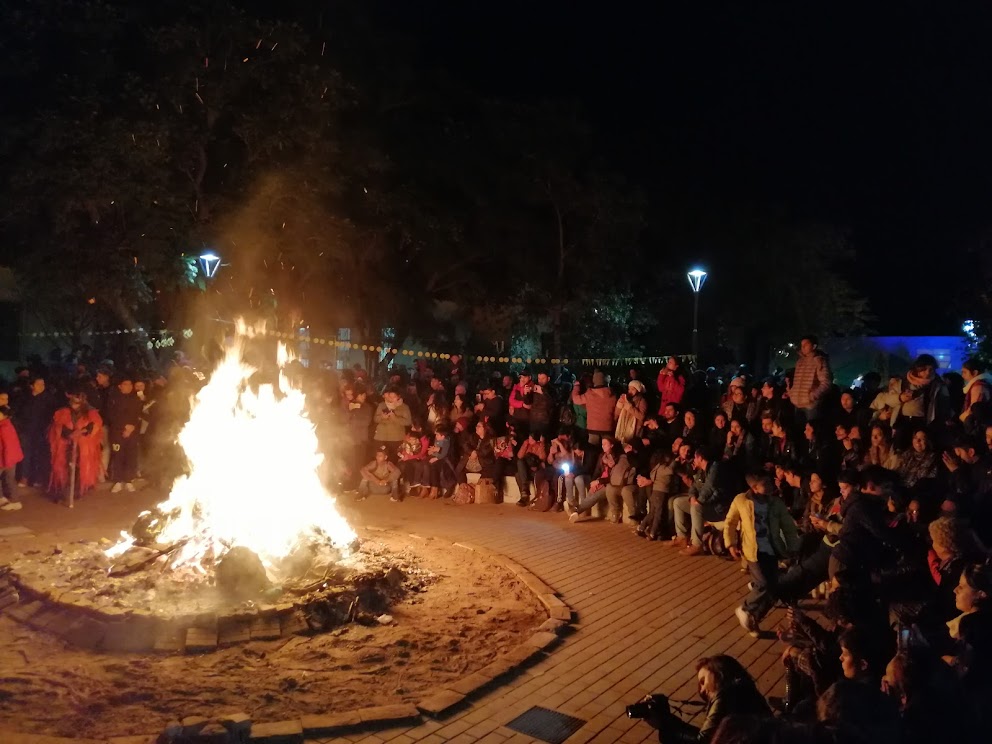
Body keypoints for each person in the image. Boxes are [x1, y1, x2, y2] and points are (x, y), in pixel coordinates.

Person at [727, 474, 800, 636]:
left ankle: (753, 620)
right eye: (765, 483)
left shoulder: (776, 503)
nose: (771, 484)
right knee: (764, 584)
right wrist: (730, 543)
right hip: (753, 551)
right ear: (755, 488)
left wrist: (793, 546)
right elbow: (730, 522)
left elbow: (788, 526)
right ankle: (745, 608)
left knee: (773, 589)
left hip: (772, 550)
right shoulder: (741, 501)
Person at [641, 655, 771, 743]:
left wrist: (664, 724)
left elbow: (702, 741)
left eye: (703, 681)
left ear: (717, 672)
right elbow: (709, 737)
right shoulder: (745, 688)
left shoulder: (724, 696)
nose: (701, 690)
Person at [671, 447, 729, 556]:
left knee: (696, 507)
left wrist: (700, 501)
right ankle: (681, 537)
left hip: (718, 507)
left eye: (695, 457)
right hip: (707, 504)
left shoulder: (715, 468)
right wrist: (692, 497)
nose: (694, 460)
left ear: (700, 458)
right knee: (678, 502)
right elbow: (694, 486)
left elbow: (709, 487)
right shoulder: (700, 471)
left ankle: (697, 544)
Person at [48, 390, 103, 502]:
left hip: (82, 445)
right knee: (63, 468)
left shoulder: (90, 412)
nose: (75, 404)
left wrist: (84, 431)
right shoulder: (63, 411)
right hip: (66, 444)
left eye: (78, 400)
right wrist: (70, 434)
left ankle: (77, 491)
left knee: (80, 468)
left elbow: (95, 424)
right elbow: (58, 425)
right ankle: (62, 492)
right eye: (73, 400)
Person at [15, 376, 55, 489]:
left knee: (39, 454)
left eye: (43, 384)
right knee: (25, 454)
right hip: (26, 431)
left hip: (41, 431)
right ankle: (24, 477)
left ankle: (37, 478)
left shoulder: (48, 399)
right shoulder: (24, 398)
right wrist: (20, 427)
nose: (41, 387)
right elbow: (17, 414)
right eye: (38, 384)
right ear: (31, 386)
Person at [105, 375, 143, 493]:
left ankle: (128, 480)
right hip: (117, 432)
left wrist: (131, 427)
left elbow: (138, 415)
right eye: (126, 384)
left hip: (132, 432)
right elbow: (111, 415)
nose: (129, 387)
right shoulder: (113, 398)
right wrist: (123, 427)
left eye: (130, 385)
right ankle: (117, 480)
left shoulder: (136, 399)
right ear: (120, 386)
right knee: (118, 455)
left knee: (131, 455)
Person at [790, 335, 833, 426]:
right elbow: (796, 382)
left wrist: (812, 396)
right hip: (797, 403)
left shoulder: (819, 361)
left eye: (806, 344)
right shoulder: (800, 362)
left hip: (811, 405)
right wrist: (792, 393)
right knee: (798, 431)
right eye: (802, 344)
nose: (803, 347)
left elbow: (826, 382)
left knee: (812, 431)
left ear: (814, 346)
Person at [571, 372, 616, 445]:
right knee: (607, 448)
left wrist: (576, 386)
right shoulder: (612, 394)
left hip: (593, 428)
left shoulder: (590, 394)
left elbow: (576, 399)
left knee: (592, 450)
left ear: (594, 381)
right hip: (608, 427)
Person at [372, 388, 412, 458]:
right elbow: (375, 419)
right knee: (380, 458)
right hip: (381, 437)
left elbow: (408, 422)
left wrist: (395, 418)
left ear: (398, 397)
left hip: (396, 438)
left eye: (394, 397)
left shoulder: (404, 407)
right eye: (390, 397)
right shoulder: (382, 405)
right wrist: (382, 417)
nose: (391, 399)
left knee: (393, 458)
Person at [0, 403, 24, 511]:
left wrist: (7, 461)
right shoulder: (6, 425)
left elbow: (8, 446)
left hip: (5, 459)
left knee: (9, 479)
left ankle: (15, 501)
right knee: (9, 479)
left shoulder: (4, 427)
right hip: (8, 458)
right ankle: (4, 499)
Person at [960, 358, 991, 425]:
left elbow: (973, 409)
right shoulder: (983, 383)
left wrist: (963, 417)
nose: (962, 375)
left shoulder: (978, 386)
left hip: (978, 426)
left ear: (974, 373)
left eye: (965, 372)